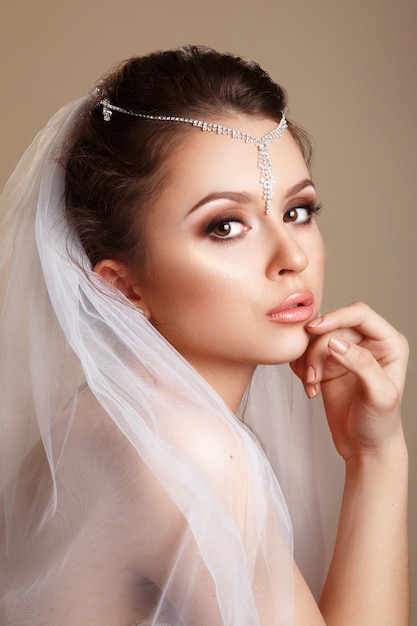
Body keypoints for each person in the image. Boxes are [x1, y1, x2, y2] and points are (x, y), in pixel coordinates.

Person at [0, 45, 409, 625]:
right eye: (225, 225)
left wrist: (373, 451)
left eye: (298, 211)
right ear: (122, 287)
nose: (292, 256)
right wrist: (378, 460)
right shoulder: (186, 450)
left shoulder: (98, 426)